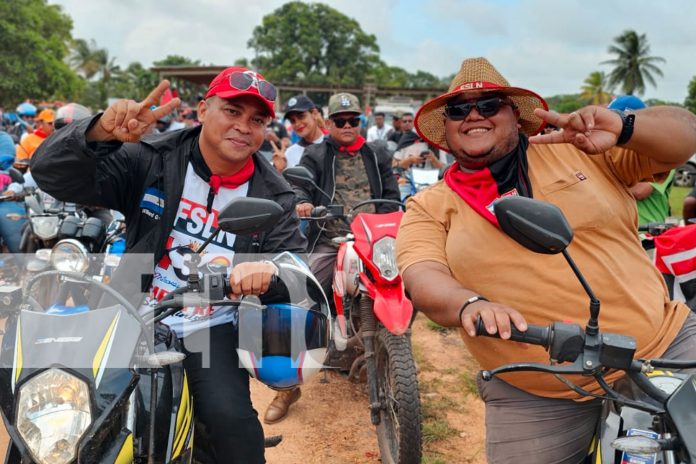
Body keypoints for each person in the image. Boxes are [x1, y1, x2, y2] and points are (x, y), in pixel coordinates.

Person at [395, 57, 696, 464]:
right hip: (536, 387)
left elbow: (685, 135)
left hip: (663, 346)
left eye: (488, 105)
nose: (472, 116)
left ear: (516, 116)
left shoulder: (581, 152)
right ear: (446, 130)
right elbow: (421, 274)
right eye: (458, 109)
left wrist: (623, 126)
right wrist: (469, 303)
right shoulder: (431, 205)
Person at [30, 67, 307, 464]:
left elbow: (294, 269)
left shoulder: (274, 195)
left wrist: (270, 274)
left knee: (231, 423)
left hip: (209, 325)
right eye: (232, 111)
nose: (244, 127)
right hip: (129, 310)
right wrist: (98, 135)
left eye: (257, 120)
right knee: (77, 409)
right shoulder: (151, 158)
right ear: (202, 110)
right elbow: (49, 173)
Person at [281, 92, 399, 424]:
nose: (347, 125)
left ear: (361, 121)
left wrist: (389, 222)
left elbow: (391, 195)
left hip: (375, 238)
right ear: (329, 123)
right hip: (332, 237)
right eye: (340, 120)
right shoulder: (316, 154)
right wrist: (303, 203)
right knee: (301, 294)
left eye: (353, 120)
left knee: (410, 284)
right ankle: (287, 386)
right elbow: (299, 188)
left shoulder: (377, 153)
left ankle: (395, 357)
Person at [608, 95, 675, 227]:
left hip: (648, 233)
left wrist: (601, 185)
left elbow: (640, 191)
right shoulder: (608, 152)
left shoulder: (660, 155)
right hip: (618, 232)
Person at [269, 95, 326, 174]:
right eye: (292, 121)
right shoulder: (289, 154)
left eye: (301, 116)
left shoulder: (332, 145)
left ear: (314, 113)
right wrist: (278, 170)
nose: (297, 124)